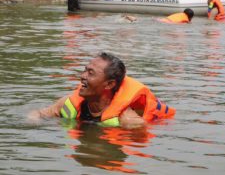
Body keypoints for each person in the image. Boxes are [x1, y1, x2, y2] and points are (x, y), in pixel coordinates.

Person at [28, 52, 176, 129]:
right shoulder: (67, 103)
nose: (82, 76)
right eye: (85, 70)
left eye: (90, 73)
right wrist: (33, 122)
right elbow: (38, 113)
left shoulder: (128, 120)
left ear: (109, 84)